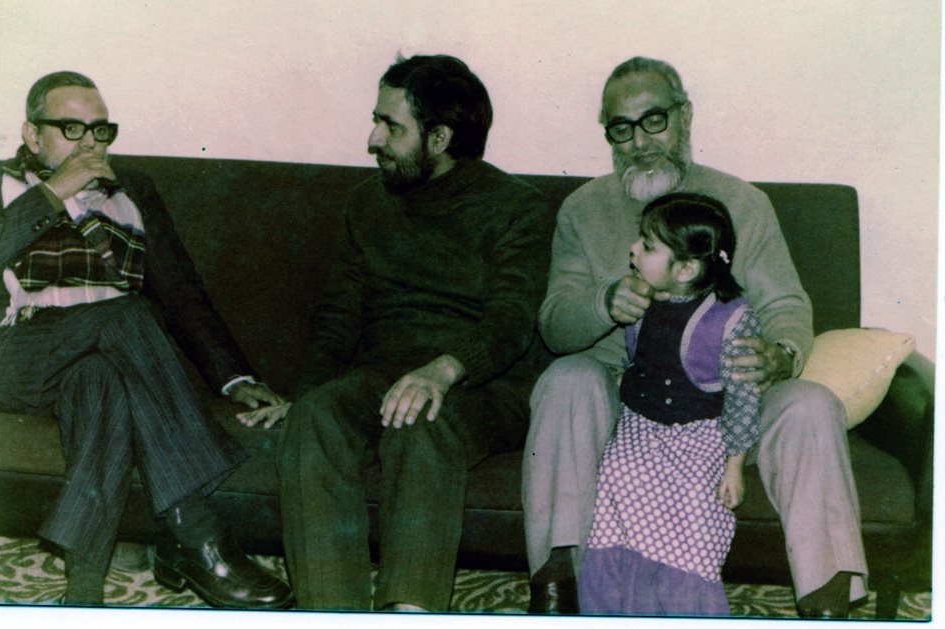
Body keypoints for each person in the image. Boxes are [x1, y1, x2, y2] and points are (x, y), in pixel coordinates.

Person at [522, 56, 867, 618]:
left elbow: (785, 304)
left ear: (685, 116)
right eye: (621, 128)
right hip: (623, 400)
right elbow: (555, 322)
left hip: (725, 402)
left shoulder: (743, 203)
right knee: (566, 378)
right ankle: (559, 582)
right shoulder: (582, 211)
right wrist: (602, 303)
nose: (639, 141)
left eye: (653, 120)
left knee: (810, 403)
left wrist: (778, 355)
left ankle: (828, 601)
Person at [239, 54, 549, 611]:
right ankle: (331, 612)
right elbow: (339, 314)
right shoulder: (367, 204)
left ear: (440, 137)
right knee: (314, 417)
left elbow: (513, 321)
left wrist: (442, 371)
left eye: (391, 126)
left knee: (420, 420)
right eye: (376, 120)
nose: (372, 139)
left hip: (484, 385)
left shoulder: (515, 207)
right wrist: (304, 395)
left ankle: (410, 610)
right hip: (384, 376)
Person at [0, 71, 292, 608]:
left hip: (101, 351)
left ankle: (83, 590)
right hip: (12, 351)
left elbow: (179, 291)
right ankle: (197, 531)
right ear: (33, 135)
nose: (90, 144)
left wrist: (235, 377)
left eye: (101, 131)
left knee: (99, 380)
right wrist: (55, 192)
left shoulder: (133, 190)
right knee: (125, 314)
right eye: (71, 128)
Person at [577, 192, 760, 615]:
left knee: (696, 503)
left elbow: (743, 396)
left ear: (686, 269)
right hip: (640, 423)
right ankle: (616, 608)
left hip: (701, 431)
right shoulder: (643, 296)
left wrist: (734, 464)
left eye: (647, 245)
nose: (633, 249)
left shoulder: (729, 319)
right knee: (618, 477)